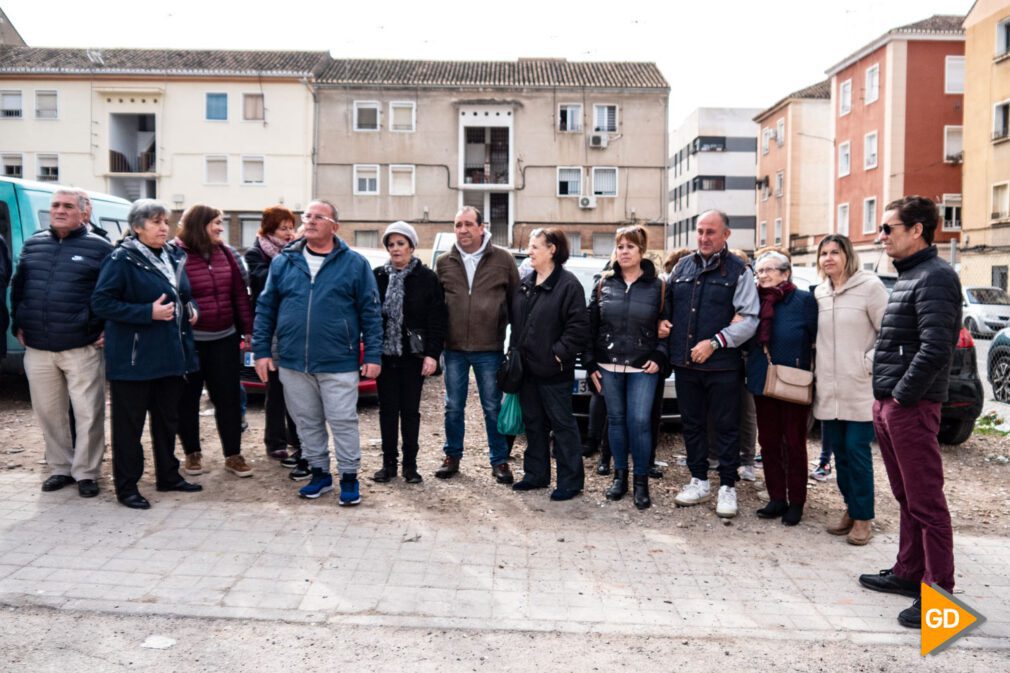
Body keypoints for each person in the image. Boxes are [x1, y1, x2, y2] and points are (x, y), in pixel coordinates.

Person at [858, 196, 962, 629]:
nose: (881, 235)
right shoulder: (910, 276)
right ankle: (908, 573)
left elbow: (938, 346)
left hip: (911, 405)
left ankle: (940, 599)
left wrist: (901, 396)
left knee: (927, 503)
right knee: (906, 497)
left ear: (917, 230)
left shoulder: (936, 277)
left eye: (888, 228)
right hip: (890, 402)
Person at [252, 200, 382, 506]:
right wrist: (261, 350)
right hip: (294, 361)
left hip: (338, 361)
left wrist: (373, 356)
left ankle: (349, 477)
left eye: (318, 217)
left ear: (334, 227)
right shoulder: (285, 261)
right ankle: (320, 474)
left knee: (342, 421)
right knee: (306, 421)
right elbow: (266, 307)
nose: (309, 221)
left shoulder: (354, 264)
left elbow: (371, 313)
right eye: (307, 216)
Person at [91, 199, 203, 509]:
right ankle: (127, 488)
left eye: (165, 222)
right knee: (129, 428)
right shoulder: (121, 259)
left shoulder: (172, 255)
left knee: (167, 421)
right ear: (137, 227)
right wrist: (146, 312)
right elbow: (101, 303)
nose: (163, 227)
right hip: (134, 360)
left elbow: (184, 293)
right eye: (155, 222)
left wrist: (191, 306)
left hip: (171, 356)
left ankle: (168, 476)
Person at [10, 189, 112, 498]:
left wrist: (107, 327)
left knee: (89, 413)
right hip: (39, 347)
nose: (60, 210)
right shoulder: (33, 244)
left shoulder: (100, 248)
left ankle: (86, 472)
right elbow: (19, 286)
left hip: (82, 347)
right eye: (55, 205)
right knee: (48, 413)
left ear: (84, 213)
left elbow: (111, 291)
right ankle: (60, 468)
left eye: (68, 206)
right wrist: (18, 322)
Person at [669, 210, 759, 519]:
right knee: (692, 424)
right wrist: (661, 323)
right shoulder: (682, 266)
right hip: (686, 365)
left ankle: (727, 487)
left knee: (726, 427)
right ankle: (699, 480)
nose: (704, 238)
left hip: (722, 365)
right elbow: (667, 307)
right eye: (700, 231)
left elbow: (749, 319)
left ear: (725, 236)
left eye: (711, 232)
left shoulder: (739, 270)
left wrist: (716, 342)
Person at [434, 206, 520, 483]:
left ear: (482, 228)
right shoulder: (445, 262)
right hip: (454, 348)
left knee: (492, 406)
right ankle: (452, 457)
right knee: (453, 406)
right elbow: (437, 305)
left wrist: (511, 340)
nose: (462, 230)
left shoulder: (503, 260)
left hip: (489, 348)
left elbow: (516, 303)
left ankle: (499, 460)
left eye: (468, 224)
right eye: (458, 224)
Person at [586, 226, 669, 510]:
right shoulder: (603, 283)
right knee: (617, 421)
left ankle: (641, 482)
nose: (624, 251)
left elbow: (670, 326)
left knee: (640, 423)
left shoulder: (659, 287)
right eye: (620, 246)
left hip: (641, 367)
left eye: (630, 246)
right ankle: (619, 477)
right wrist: (589, 363)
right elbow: (590, 327)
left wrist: (659, 355)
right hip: (608, 365)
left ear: (642, 251)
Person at [813, 234, 888, 545]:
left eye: (835, 252)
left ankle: (863, 518)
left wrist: (867, 361)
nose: (829, 258)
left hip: (859, 386)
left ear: (848, 255)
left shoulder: (870, 287)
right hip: (828, 389)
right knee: (840, 455)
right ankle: (850, 508)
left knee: (857, 452)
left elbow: (889, 331)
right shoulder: (820, 293)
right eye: (824, 253)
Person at [173, 205, 254, 479]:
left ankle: (233, 454)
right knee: (187, 398)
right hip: (190, 341)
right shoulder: (176, 254)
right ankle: (192, 454)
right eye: (216, 223)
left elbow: (239, 295)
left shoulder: (226, 253)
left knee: (228, 398)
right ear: (200, 224)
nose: (221, 228)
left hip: (225, 339)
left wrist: (248, 330)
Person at [509, 228, 589, 500]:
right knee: (533, 423)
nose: (529, 252)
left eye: (534, 247)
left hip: (554, 371)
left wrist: (557, 354)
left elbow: (578, 328)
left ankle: (570, 481)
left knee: (562, 425)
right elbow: (517, 323)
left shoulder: (568, 285)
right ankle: (536, 474)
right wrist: (514, 355)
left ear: (552, 249)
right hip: (527, 370)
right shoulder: (526, 282)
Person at [745, 251, 817, 526]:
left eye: (768, 270)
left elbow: (815, 338)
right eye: (759, 270)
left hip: (793, 382)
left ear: (785, 273)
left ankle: (796, 501)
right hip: (763, 379)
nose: (762, 275)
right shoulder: (753, 300)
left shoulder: (804, 301)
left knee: (794, 443)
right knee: (769, 442)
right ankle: (777, 498)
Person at [372, 221, 447, 485]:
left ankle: (410, 467)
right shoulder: (378, 276)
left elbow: (437, 320)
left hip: (413, 356)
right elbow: (370, 317)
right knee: (387, 411)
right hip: (384, 355)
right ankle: (388, 465)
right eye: (391, 244)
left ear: (412, 247)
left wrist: (432, 355)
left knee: (410, 411)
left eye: (400, 243)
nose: (395, 249)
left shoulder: (427, 278)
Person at [245, 205, 304, 470]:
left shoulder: (294, 252)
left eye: (292, 227)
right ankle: (275, 441)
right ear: (270, 230)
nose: (289, 233)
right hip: (271, 326)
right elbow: (264, 281)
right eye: (284, 228)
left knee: (297, 387)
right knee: (277, 386)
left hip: (293, 325)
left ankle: (296, 437)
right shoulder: (257, 253)